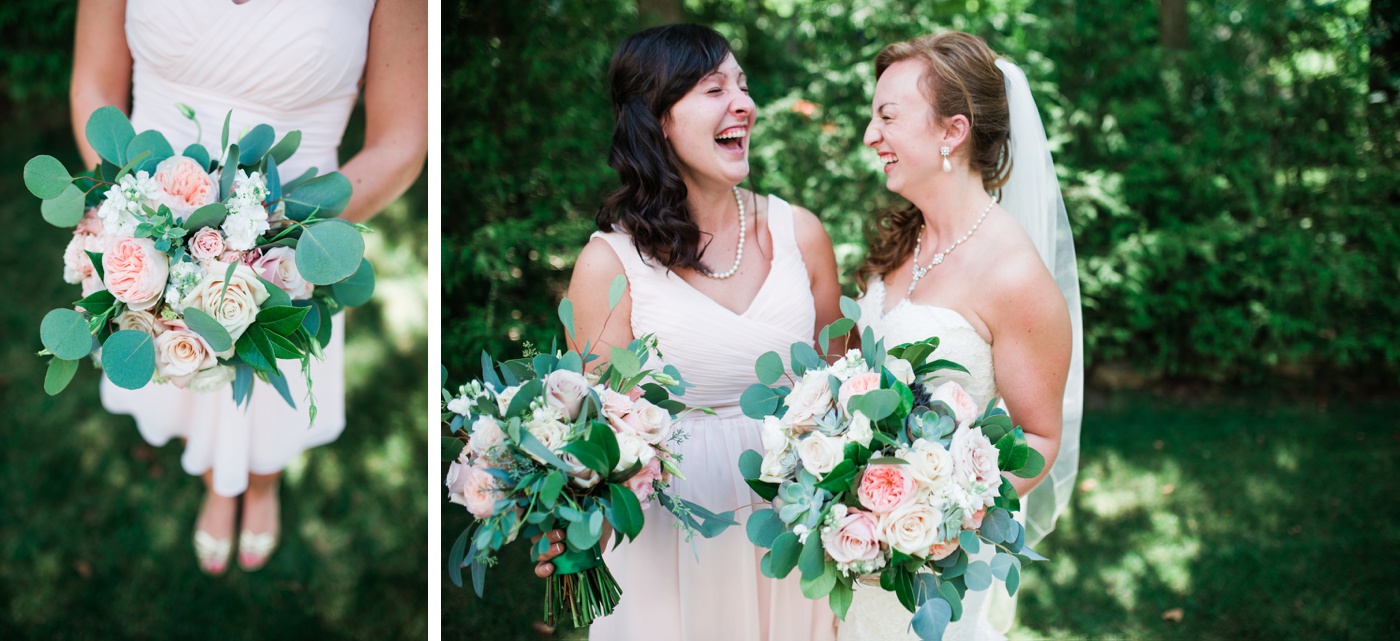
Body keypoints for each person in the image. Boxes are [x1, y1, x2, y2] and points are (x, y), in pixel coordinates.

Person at [69, 0, 427, 575]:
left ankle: (260, 488)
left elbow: (402, 144)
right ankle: (219, 485)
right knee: (183, 365)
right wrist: (134, 214)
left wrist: (276, 238)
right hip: (149, 224)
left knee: (268, 380)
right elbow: (92, 83)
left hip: (288, 247)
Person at [533, 23, 843, 641]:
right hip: (670, 544)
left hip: (791, 532)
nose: (744, 104)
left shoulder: (799, 233)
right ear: (659, 119)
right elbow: (589, 437)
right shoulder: (609, 265)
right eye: (713, 87)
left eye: (743, 85)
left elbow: (846, 392)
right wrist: (564, 517)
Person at [841, 32, 1083, 640]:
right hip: (855, 552)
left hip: (933, 564)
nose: (870, 136)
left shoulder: (1013, 275)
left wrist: (936, 515)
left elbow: (1039, 436)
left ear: (952, 133)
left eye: (887, 117)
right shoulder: (903, 241)